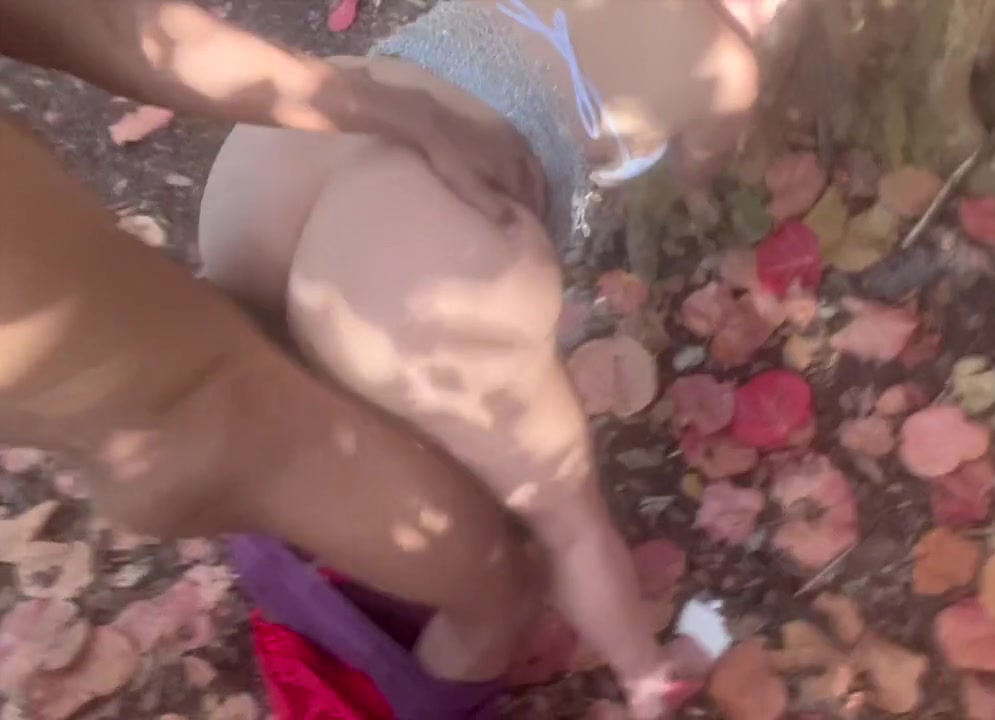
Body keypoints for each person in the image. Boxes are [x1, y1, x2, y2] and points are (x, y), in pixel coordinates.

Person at [197, 0, 787, 716]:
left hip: (290, 148)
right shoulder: (725, 63)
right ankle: (649, 675)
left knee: (284, 368)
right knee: (567, 526)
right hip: (428, 250)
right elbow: (700, 166)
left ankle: (301, 556)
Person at [0, 0, 552, 707]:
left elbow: (111, 25)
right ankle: (474, 620)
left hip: (150, 387)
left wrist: (393, 108)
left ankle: (304, 521)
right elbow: (112, 25)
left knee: (245, 373)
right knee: (500, 591)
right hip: (179, 410)